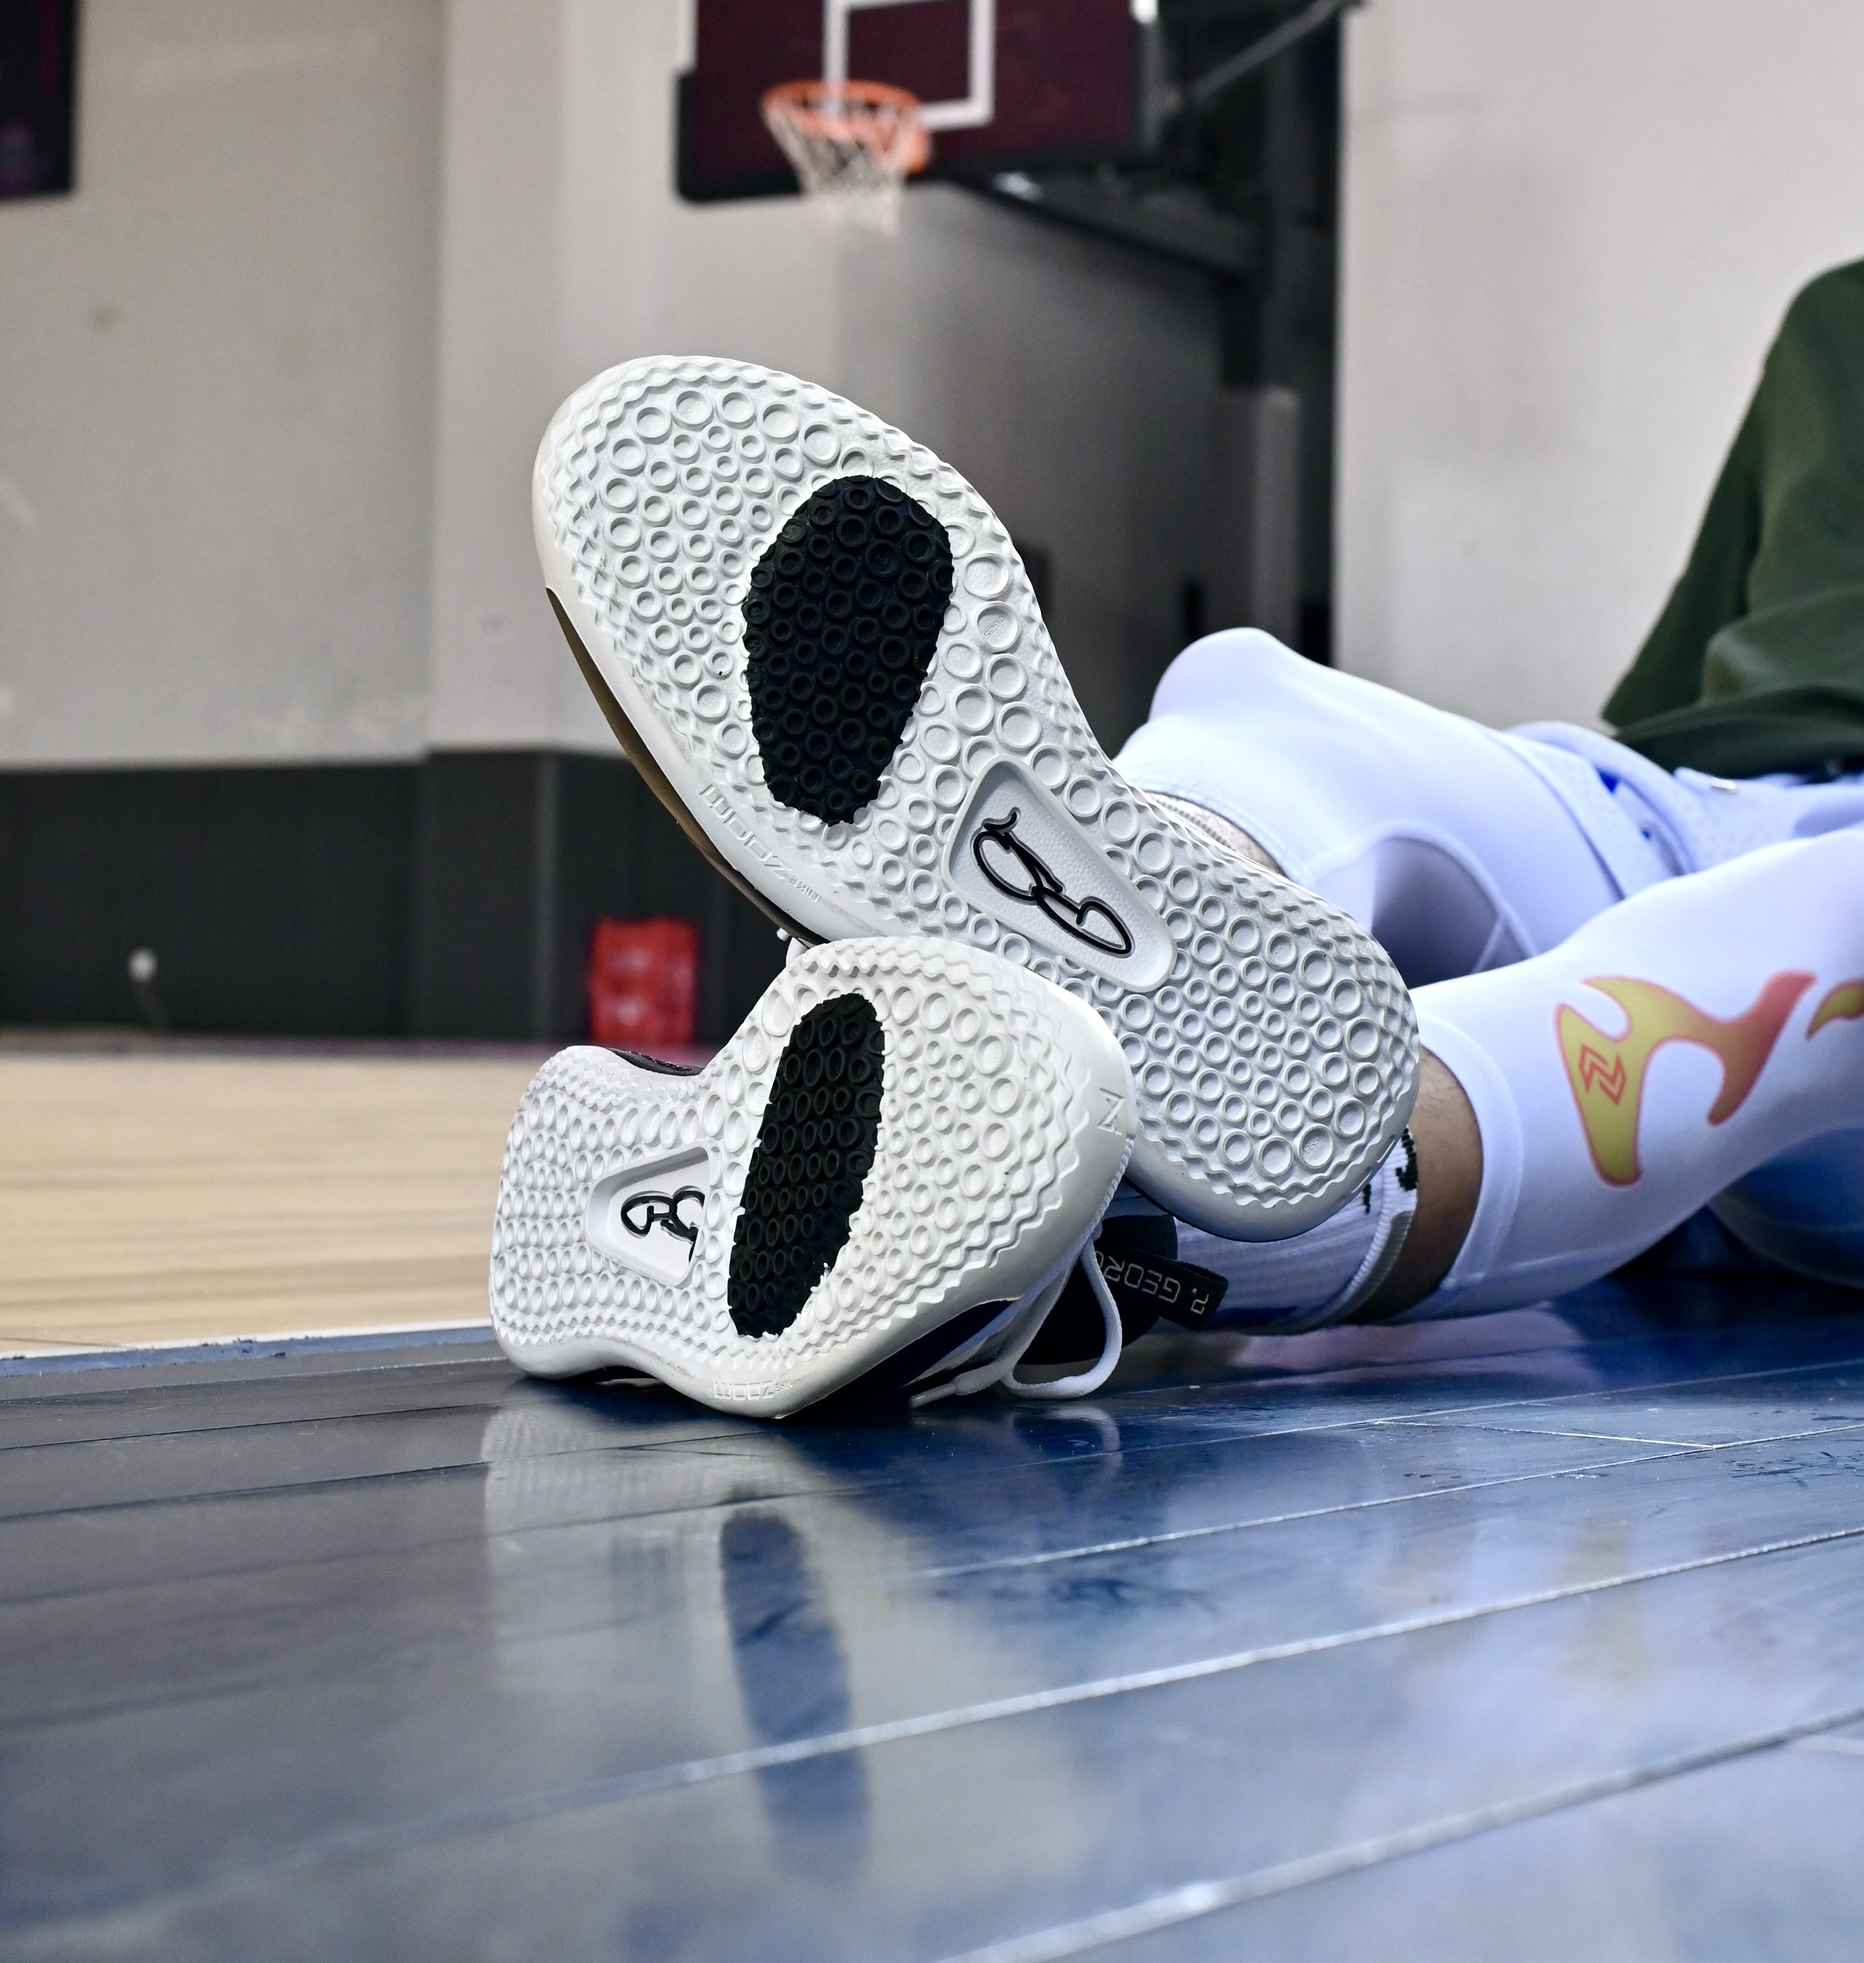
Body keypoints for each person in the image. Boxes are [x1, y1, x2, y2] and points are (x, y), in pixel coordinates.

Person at [492, 266, 1864, 1415]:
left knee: (1796, 933)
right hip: (1683, 798)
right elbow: (1686, 696)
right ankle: (1143, 943)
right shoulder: (1838, 320)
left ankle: (1126, 1212)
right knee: (1272, 718)